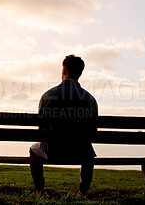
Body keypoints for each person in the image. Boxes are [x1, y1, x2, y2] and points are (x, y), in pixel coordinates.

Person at [29, 55, 98, 196]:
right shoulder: (90, 99)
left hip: (53, 151)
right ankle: (83, 191)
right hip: (81, 152)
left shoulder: (48, 96)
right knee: (89, 151)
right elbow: (93, 131)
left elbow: (41, 130)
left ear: (64, 70)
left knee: (33, 149)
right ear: (80, 73)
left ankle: (40, 190)